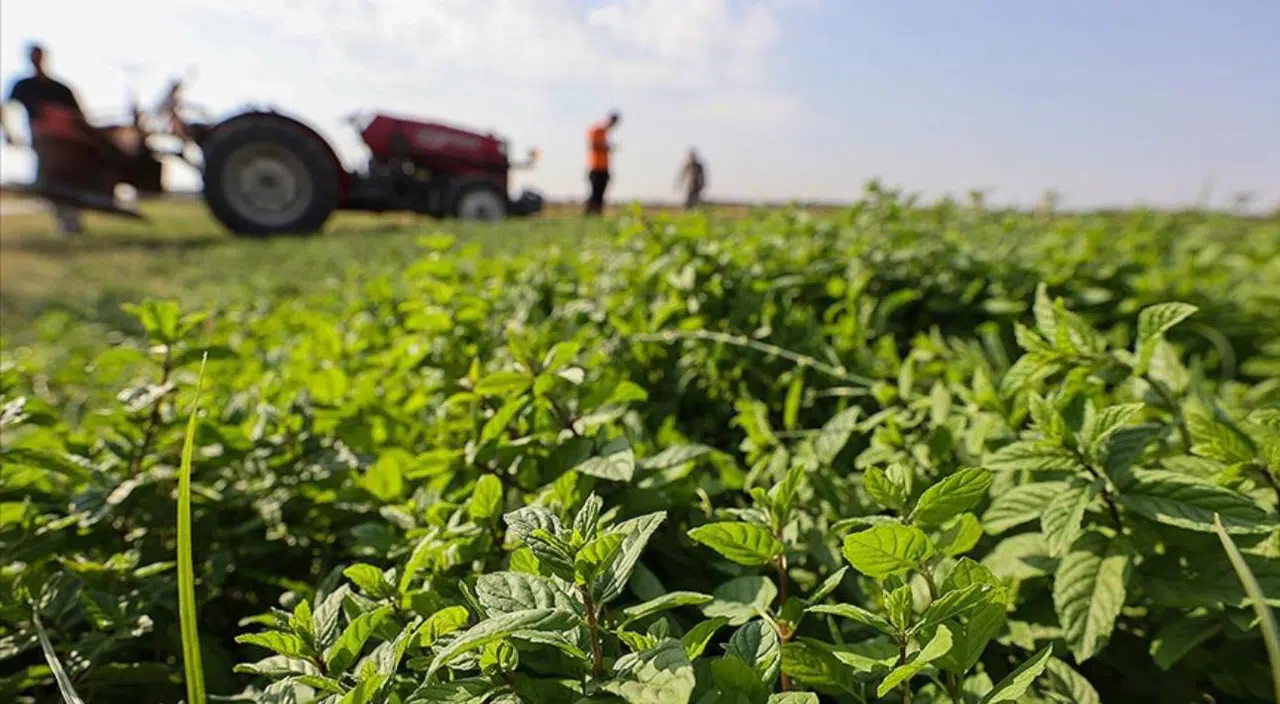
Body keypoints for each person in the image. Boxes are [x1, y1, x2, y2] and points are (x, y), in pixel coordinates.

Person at [1, 42, 87, 235]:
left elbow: (79, 116)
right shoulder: (24, 86)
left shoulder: (60, 89)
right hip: (44, 142)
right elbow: (5, 109)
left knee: (60, 182)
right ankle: (67, 223)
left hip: (67, 143)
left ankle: (70, 222)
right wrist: (8, 133)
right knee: (50, 184)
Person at [584, 110, 620, 216]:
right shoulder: (597, 130)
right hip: (596, 167)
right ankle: (589, 213)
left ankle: (597, 214)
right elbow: (593, 145)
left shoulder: (605, 134)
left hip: (604, 167)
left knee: (601, 193)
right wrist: (607, 147)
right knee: (595, 192)